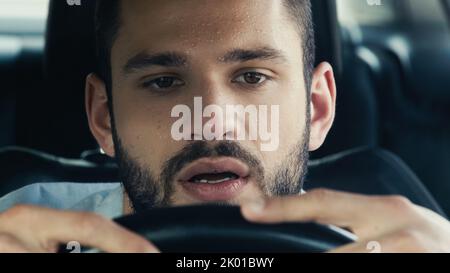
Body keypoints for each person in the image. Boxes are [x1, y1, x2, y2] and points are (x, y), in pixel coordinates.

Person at [0, 0, 449, 253]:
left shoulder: (394, 242)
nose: (213, 122)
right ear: (104, 116)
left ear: (316, 107)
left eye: (252, 77)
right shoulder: (15, 225)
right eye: (163, 81)